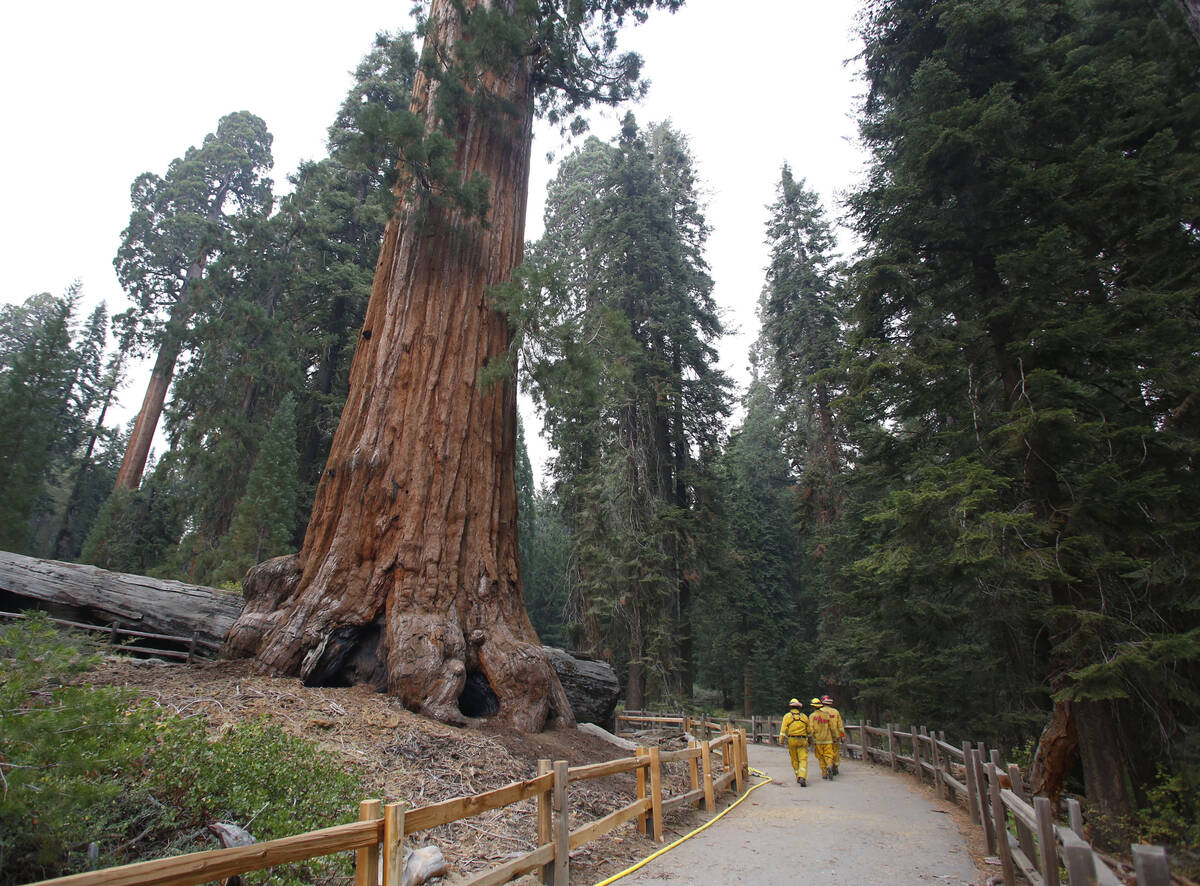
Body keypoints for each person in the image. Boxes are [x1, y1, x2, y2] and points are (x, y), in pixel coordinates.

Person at [778, 698, 810, 786]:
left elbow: (783, 729)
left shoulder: (787, 716)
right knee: (803, 759)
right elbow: (809, 731)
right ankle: (802, 776)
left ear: (790, 707)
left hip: (792, 740)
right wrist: (810, 740)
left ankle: (798, 776)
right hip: (802, 740)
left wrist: (781, 740)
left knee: (795, 760)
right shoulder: (804, 717)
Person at [808, 696, 837, 779]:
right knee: (829, 755)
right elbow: (832, 728)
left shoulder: (812, 716)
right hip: (828, 740)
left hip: (818, 740)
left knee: (821, 757)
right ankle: (829, 765)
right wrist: (834, 737)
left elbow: (811, 729)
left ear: (813, 706)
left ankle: (824, 773)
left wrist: (810, 740)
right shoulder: (826, 715)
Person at [821, 694, 845, 775]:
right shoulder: (835, 712)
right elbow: (840, 726)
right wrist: (843, 736)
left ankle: (828, 765)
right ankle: (835, 767)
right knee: (835, 752)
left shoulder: (819, 712)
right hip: (835, 736)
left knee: (826, 753)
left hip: (824, 737)